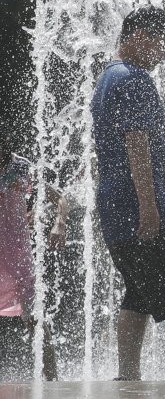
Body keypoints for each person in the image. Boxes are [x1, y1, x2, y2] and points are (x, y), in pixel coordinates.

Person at [90, 6, 165, 381]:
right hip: (139, 206)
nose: (163, 54)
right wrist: (149, 206)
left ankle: (127, 374)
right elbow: (136, 142)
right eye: (162, 45)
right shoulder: (134, 78)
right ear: (141, 36)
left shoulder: (107, 78)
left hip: (115, 208)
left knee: (138, 294)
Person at [0, 122, 68, 380]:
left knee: (37, 322)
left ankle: (53, 384)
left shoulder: (20, 167)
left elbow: (59, 198)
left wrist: (59, 224)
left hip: (19, 266)